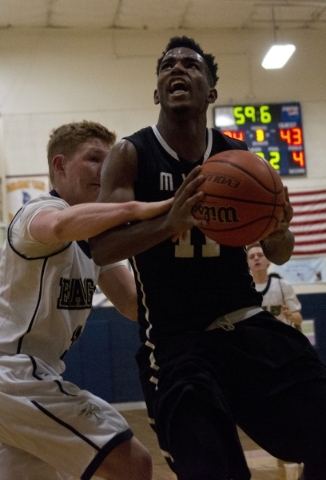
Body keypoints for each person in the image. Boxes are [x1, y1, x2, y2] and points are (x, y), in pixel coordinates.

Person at [89, 37, 326, 480]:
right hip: (176, 339)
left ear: (211, 91)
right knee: (214, 470)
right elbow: (101, 248)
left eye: (191, 66)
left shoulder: (241, 157)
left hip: (246, 321)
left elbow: (280, 251)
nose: (178, 70)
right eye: (167, 66)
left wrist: (277, 228)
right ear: (157, 91)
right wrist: (167, 221)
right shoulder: (131, 154)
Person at [0, 120, 175, 480]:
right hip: (13, 374)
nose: (104, 171)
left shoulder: (98, 243)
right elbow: (61, 226)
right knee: (133, 463)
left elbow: (132, 305)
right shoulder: (38, 211)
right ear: (59, 166)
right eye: (94, 159)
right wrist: (138, 209)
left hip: (26, 384)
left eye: (109, 163)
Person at [247, 242, 303, 328]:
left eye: (260, 255)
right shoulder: (245, 288)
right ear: (247, 264)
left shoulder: (283, 285)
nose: (256, 258)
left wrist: (291, 315)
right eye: (252, 257)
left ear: (268, 260)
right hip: (257, 338)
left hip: (280, 337)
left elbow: (298, 319)